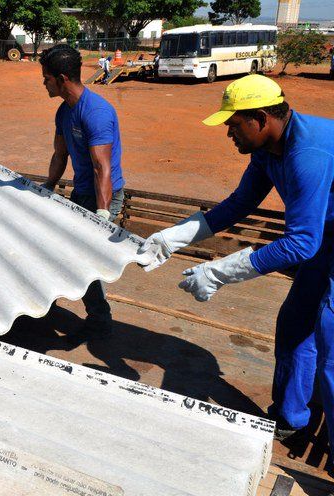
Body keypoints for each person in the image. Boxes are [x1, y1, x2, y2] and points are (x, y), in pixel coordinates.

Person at [138, 74, 334, 463]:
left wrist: (220, 271)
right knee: (295, 321)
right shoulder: (267, 150)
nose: (229, 133)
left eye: (233, 124)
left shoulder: (308, 153)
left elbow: (301, 242)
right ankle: (291, 416)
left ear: (260, 119)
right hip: (324, 234)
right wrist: (176, 237)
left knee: (329, 340)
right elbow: (240, 203)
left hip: (320, 238)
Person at [40, 45, 126, 338]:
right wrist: (48, 186)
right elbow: (59, 155)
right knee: (65, 249)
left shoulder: (97, 112)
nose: (44, 83)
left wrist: (102, 214)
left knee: (84, 258)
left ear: (62, 79)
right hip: (83, 192)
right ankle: (62, 308)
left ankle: (100, 320)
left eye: (47, 78)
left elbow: (102, 167)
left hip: (105, 195)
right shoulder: (64, 112)